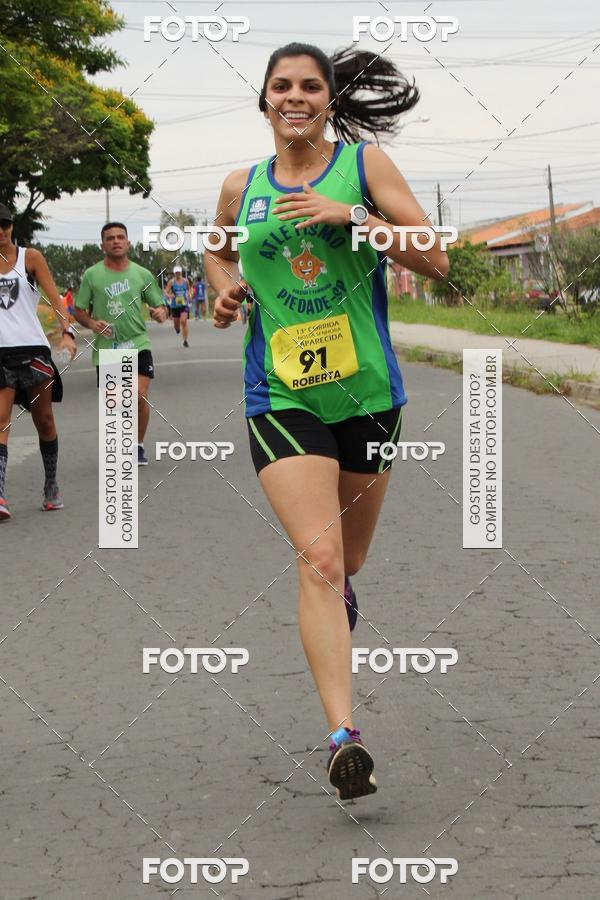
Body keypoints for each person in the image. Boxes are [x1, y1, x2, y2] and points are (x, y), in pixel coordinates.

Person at [206, 44, 449, 800]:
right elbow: (218, 253)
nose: (296, 96)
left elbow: (435, 257)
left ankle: (335, 607)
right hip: (280, 395)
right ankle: (346, 739)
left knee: (349, 562)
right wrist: (224, 289)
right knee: (320, 560)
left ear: (328, 100)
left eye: (311, 85)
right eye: (282, 85)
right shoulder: (240, 186)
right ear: (265, 101)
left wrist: (355, 218)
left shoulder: (364, 167)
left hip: (370, 397)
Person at [0, 202, 76, 520]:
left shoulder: (29, 258)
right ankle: (0, 497)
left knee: (43, 419)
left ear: (12, 226)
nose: (0, 231)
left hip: (33, 350)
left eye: (4, 225)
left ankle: (51, 485)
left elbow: (55, 298)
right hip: (1, 353)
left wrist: (67, 331)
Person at [73, 222, 168, 466]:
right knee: (115, 402)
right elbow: (79, 310)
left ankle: (137, 446)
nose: (116, 241)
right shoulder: (92, 275)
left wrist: (160, 313)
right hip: (108, 346)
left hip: (138, 342)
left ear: (128, 242)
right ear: (102, 244)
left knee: (139, 394)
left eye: (120, 237)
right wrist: (92, 323)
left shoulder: (142, 274)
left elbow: (159, 306)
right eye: (110, 238)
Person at [165, 266, 191, 346]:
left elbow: (188, 289)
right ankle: (177, 329)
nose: (178, 274)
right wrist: (169, 296)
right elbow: (166, 292)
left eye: (179, 272)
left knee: (184, 321)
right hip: (174, 306)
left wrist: (189, 295)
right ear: (174, 273)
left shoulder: (185, 281)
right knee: (176, 325)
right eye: (176, 272)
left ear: (181, 272)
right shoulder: (171, 282)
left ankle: (185, 340)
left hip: (184, 304)